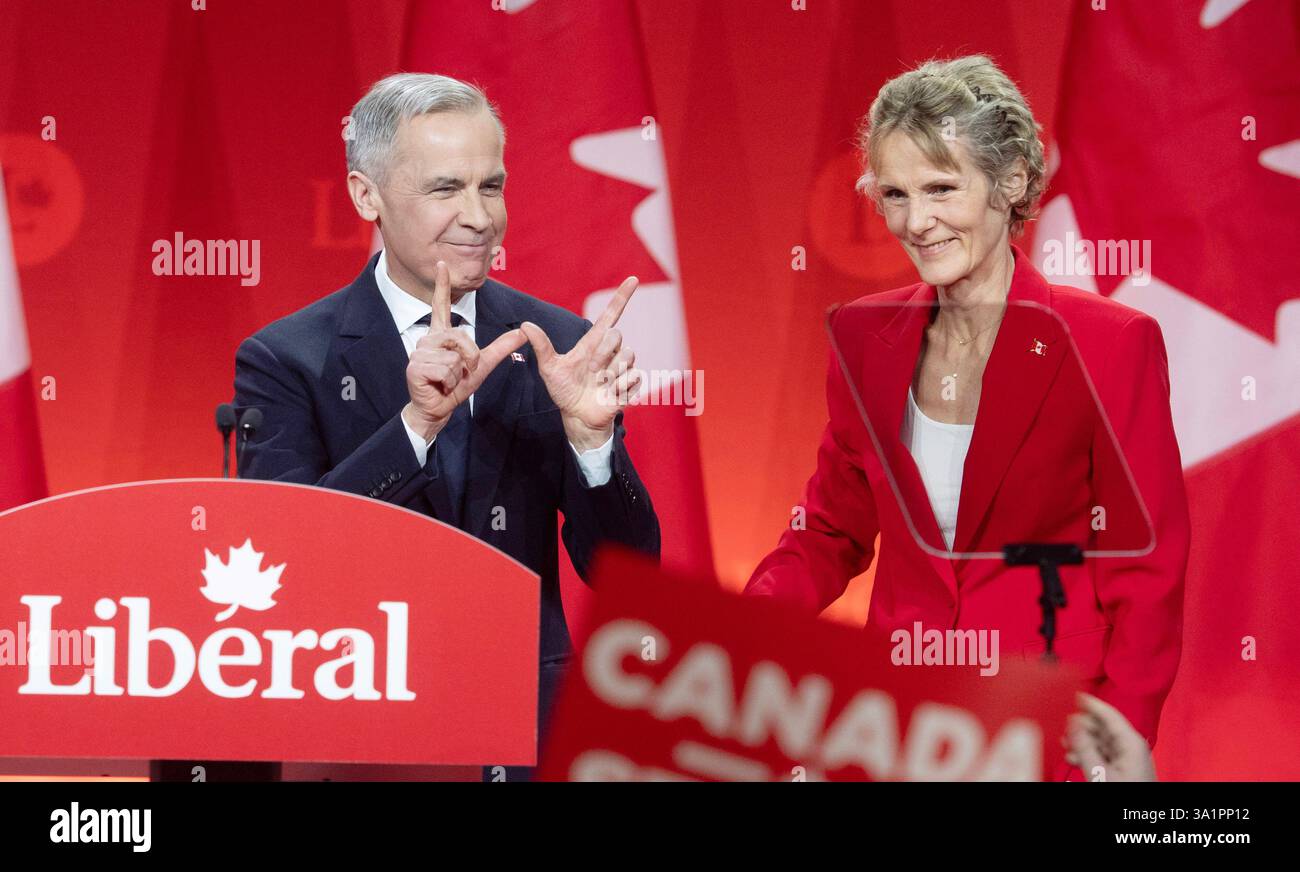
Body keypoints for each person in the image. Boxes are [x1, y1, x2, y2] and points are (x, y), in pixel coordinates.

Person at [745, 55, 1189, 778]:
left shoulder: (1110, 344)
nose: (915, 222)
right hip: (899, 735)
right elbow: (830, 531)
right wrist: (741, 631)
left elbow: (1145, 572)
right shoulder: (864, 338)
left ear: (1011, 180)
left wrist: (1120, 743)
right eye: (894, 194)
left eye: (941, 188)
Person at [232, 73, 661, 780]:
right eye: (444, 190)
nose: (479, 217)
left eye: (489, 187)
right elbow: (286, 564)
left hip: (525, 733)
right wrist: (416, 426)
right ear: (365, 195)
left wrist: (591, 443)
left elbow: (626, 572)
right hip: (360, 725)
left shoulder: (554, 342)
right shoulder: (288, 359)